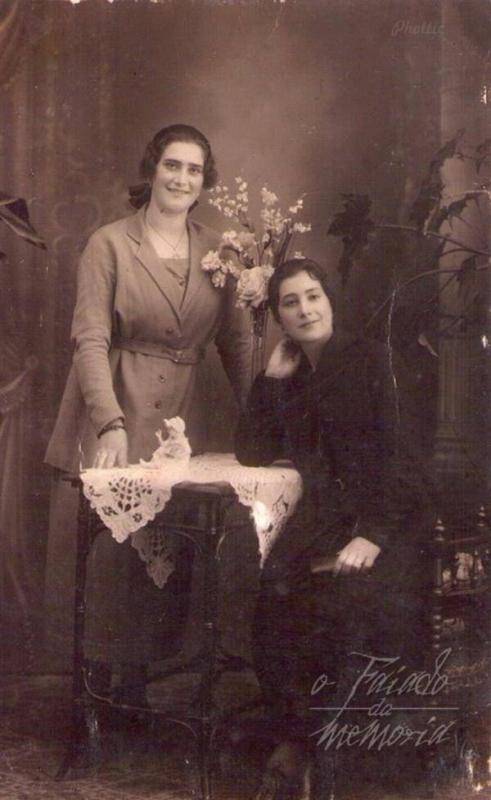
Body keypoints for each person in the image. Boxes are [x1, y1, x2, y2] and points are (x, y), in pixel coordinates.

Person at [45, 124, 251, 705]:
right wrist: (108, 422)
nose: (182, 179)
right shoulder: (109, 244)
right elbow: (89, 339)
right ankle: (98, 687)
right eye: (172, 165)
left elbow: (237, 343)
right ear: (152, 169)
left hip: (185, 414)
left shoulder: (220, 252)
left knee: (169, 547)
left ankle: (138, 686)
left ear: (205, 181)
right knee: (113, 549)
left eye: (193, 170)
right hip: (119, 399)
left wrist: (259, 418)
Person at [235, 258, 433, 799]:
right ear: (279, 317)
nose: (305, 310)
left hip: (389, 523)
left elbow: (406, 460)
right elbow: (251, 451)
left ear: (329, 300)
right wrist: (271, 381)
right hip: (328, 521)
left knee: (334, 605)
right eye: (290, 303)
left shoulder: (373, 359)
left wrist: (373, 535)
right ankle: (295, 741)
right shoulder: (293, 374)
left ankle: (322, 756)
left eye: (313, 296)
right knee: (273, 593)